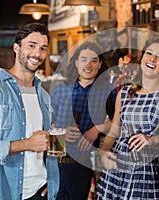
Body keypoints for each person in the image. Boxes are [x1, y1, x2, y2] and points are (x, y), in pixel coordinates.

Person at [0, 23, 59, 200]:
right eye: (31, 45)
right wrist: (27, 144)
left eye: (43, 48)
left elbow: (44, 143)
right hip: (7, 193)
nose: (37, 54)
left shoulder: (43, 94)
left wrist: (50, 181)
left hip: (42, 190)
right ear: (16, 48)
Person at [96, 35, 159, 199]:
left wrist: (152, 139)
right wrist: (103, 152)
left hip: (151, 167)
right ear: (142, 58)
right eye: (149, 53)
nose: (152, 59)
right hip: (119, 166)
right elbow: (114, 131)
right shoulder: (125, 93)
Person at [50, 41, 116, 200]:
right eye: (84, 59)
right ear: (77, 62)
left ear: (100, 64)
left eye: (94, 60)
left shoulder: (108, 91)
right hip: (57, 161)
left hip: (86, 162)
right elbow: (48, 124)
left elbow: (117, 123)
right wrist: (61, 133)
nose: (89, 64)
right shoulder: (61, 89)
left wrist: (97, 128)